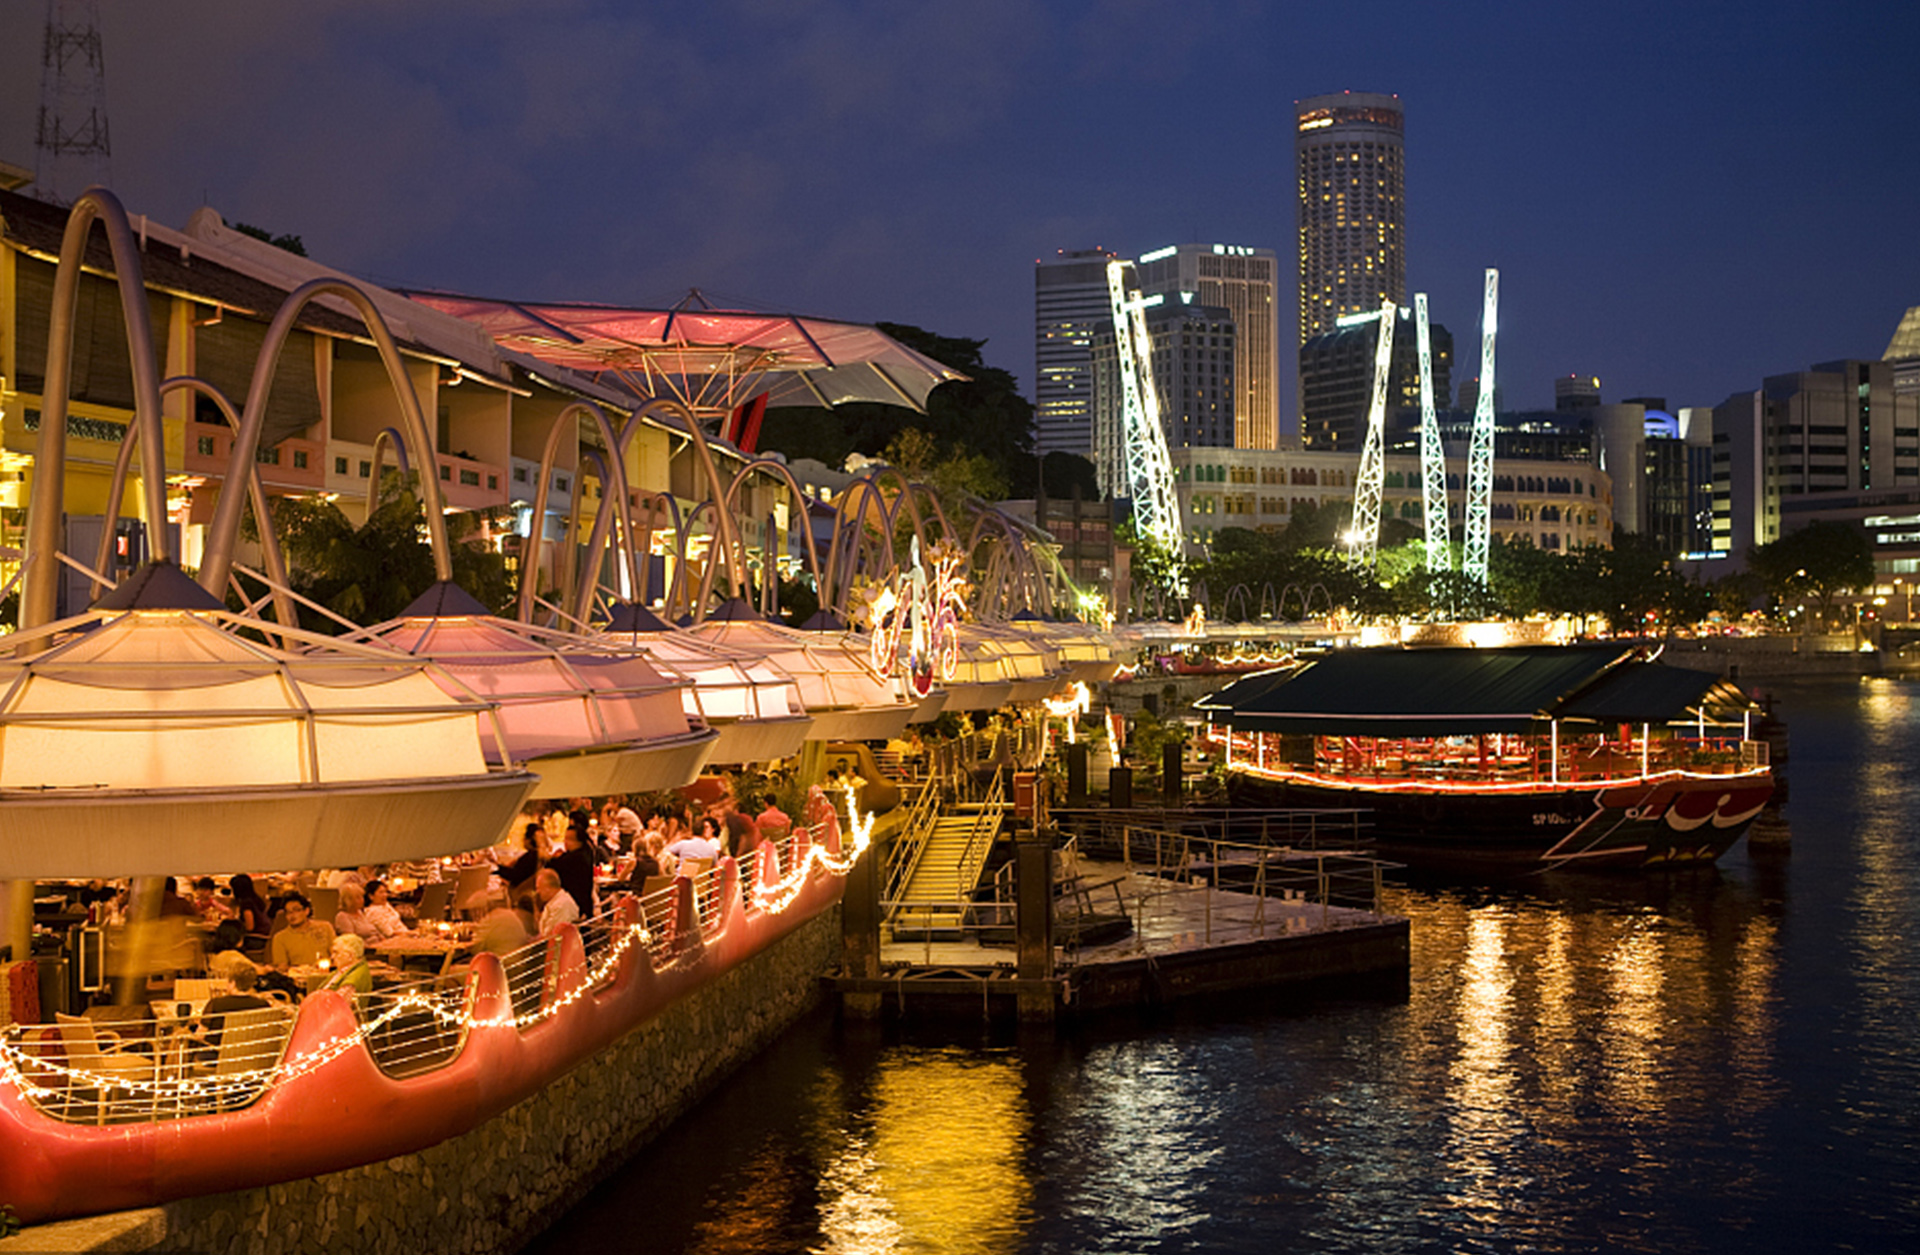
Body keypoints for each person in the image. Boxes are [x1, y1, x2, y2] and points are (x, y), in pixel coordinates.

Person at [267, 894, 335, 970]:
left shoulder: (325, 927)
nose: (292, 916)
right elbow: (282, 967)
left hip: (327, 973)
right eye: (288, 912)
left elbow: (335, 954)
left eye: (296, 910)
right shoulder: (280, 938)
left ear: (306, 911)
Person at [547, 820, 597, 918]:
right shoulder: (586, 852)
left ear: (579, 841)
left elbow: (552, 865)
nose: (565, 842)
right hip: (584, 904)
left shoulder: (576, 857)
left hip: (575, 905)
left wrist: (552, 857)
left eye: (569, 839)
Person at [534, 868, 579, 934]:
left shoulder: (562, 905)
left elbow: (551, 935)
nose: (537, 892)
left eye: (538, 888)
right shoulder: (553, 902)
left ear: (548, 888)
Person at [228, 874, 270, 939]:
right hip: (266, 934)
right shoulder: (256, 899)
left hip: (256, 938)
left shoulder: (247, 905)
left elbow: (250, 927)